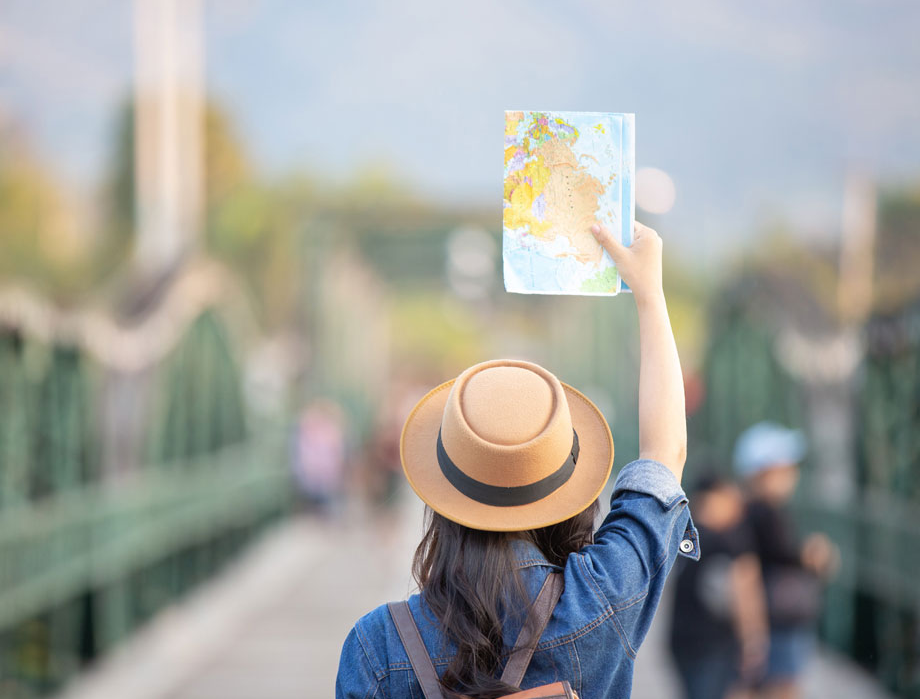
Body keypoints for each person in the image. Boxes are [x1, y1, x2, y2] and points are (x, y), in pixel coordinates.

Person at [335, 221, 698, 699]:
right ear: (567, 491)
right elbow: (663, 455)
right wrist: (650, 292)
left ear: (445, 494)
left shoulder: (376, 644)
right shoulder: (601, 598)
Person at [734, 422, 839, 699]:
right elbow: (786, 553)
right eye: (784, 468)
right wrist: (814, 555)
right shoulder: (763, 512)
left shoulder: (755, 510)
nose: (792, 474)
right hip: (776, 619)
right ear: (762, 473)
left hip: (772, 618)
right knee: (782, 688)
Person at [669, 473, 768, 699]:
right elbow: (744, 591)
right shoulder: (730, 540)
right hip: (714, 646)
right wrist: (753, 643)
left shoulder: (683, 535)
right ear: (714, 499)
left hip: (680, 642)